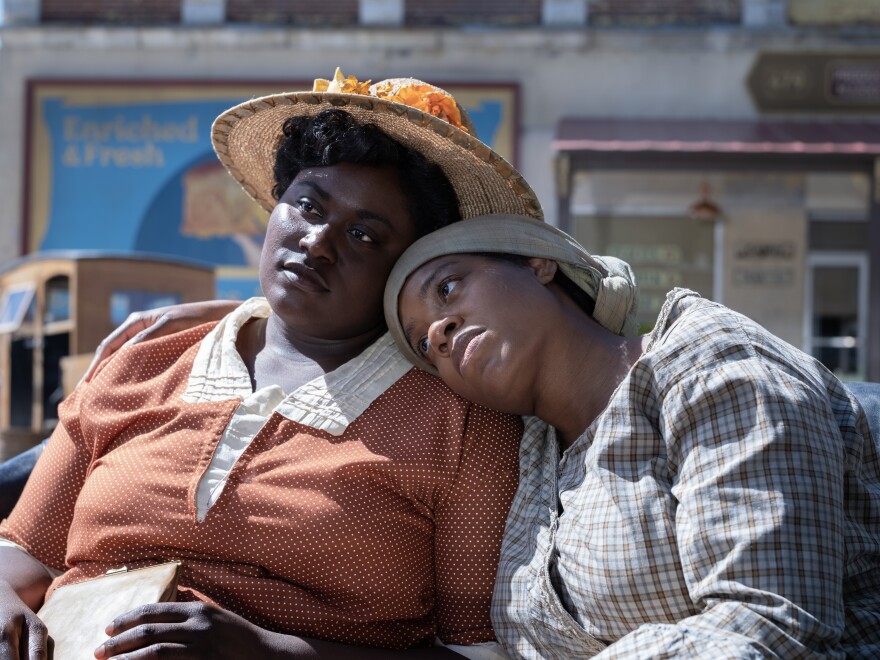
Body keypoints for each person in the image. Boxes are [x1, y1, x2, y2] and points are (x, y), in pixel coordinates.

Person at [0, 72, 544, 660]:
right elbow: (23, 555)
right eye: (307, 205)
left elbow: (475, 655)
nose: (317, 241)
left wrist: (266, 650)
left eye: (363, 234)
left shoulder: (463, 425)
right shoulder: (138, 367)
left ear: (411, 268)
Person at [384, 213, 880, 659]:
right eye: (425, 344)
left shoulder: (707, 363)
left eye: (447, 289)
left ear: (538, 263)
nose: (441, 332)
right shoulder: (533, 454)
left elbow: (768, 622)